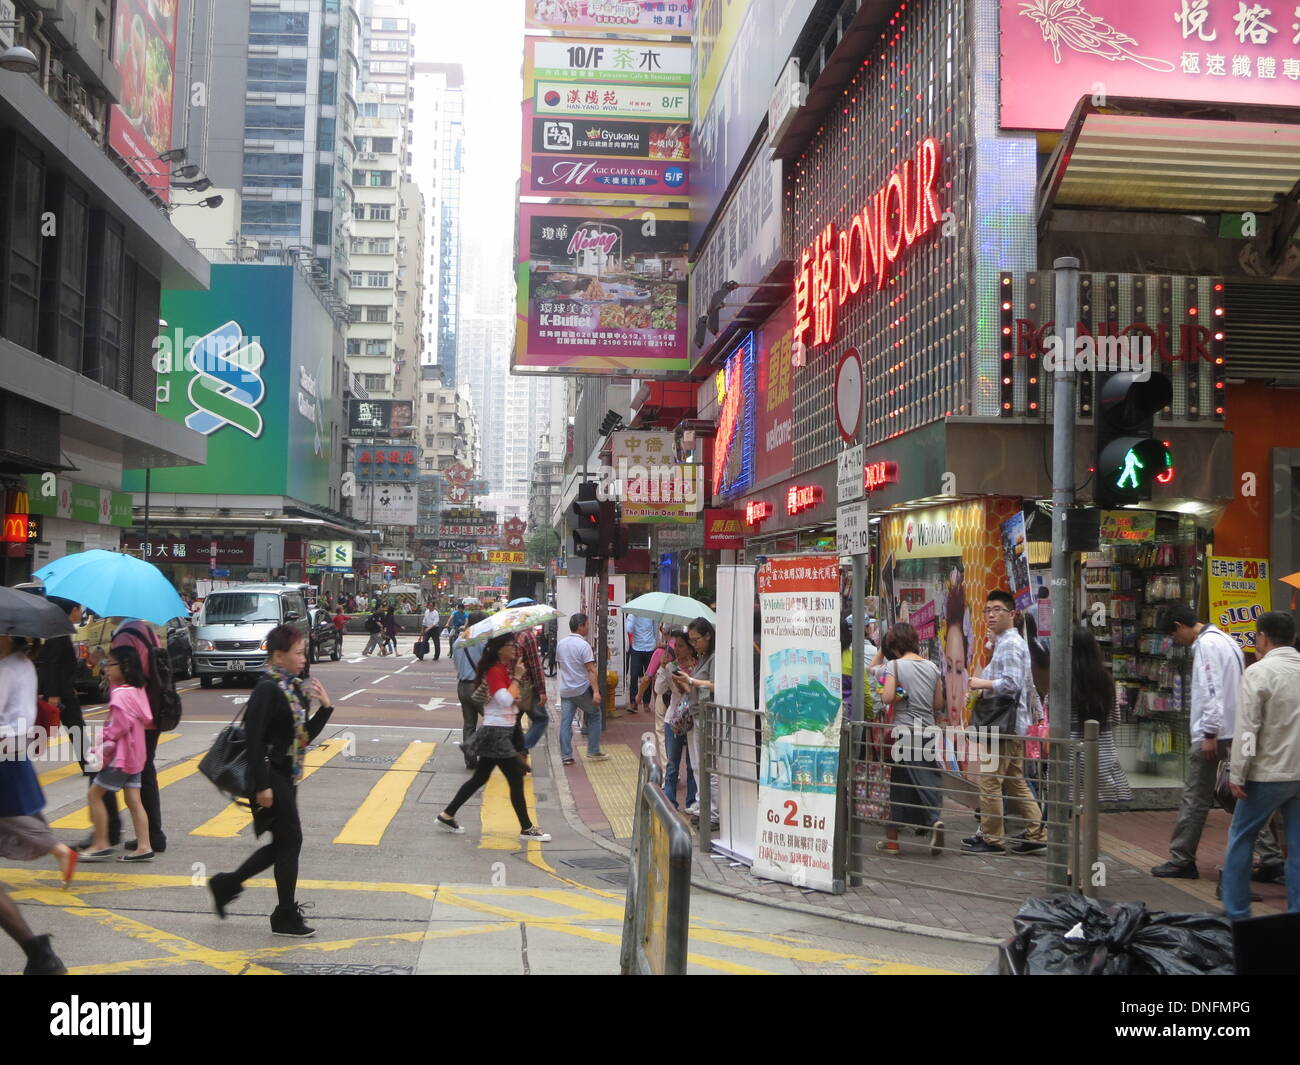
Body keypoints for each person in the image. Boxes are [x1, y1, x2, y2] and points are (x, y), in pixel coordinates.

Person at [207, 625, 334, 936]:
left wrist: (325, 708)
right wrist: (262, 785)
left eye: (304, 652)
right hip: (269, 775)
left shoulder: (290, 688)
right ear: (278, 656)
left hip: (286, 774)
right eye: (298, 653)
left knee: (284, 844)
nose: (304, 658)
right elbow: (253, 741)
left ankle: (227, 884)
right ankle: (284, 914)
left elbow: (301, 740)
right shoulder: (268, 688)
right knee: (292, 842)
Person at [1152, 604, 1284, 879]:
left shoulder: (1206, 645)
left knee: (1196, 796)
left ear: (1179, 626)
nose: (1177, 641)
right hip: (1234, 727)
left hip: (1214, 732)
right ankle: (1270, 856)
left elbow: (1211, 689)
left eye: (1175, 636)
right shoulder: (1226, 640)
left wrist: (1209, 733)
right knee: (1242, 794)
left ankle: (1182, 858)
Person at [0, 633, 77, 974]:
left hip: (4, 752)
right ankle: (39, 954)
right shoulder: (23, 664)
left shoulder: (7, 669)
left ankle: (40, 954)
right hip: (12, 754)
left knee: (17, 818)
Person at [1222, 612, 1300, 920]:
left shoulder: (1259, 672)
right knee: (1297, 846)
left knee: (1242, 837)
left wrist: (1238, 772)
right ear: (1292, 639)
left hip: (1267, 773)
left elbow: (1247, 729)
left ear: (1262, 638)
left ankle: (1237, 913)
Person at [437, 634, 551, 841]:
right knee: (515, 779)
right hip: (497, 732)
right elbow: (505, 699)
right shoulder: (495, 671)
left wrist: (515, 683)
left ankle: (447, 814)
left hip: (501, 730)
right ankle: (526, 828)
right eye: (510, 645)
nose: (515, 648)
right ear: (499, 649)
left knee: (480, 778)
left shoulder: (502, 670)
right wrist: (516, 677)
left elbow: (512, 698)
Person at [962, 590, 1045, 855]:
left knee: (990, 782)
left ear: (1012, 614)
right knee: (1015, 780)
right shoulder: (1006, 642)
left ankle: (993, 839)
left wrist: (980, 684)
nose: (991, 615)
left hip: (1003, 726)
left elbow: (1011, 684)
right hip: (1011, 725)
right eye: (988, 610)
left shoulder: (1010, 643)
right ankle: (1037, 832)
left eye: (997, 609)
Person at [36, 597, 115, 846]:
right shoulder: (58, 634)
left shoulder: (61, 631)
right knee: (61, 729)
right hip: (60, 692)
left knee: (75, 728)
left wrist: (88, 661)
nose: (81, 612)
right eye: (78, 609)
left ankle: (87, 764)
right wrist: (53, 693)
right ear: (70, 611)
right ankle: (88, 764)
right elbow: (51, 666)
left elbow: (65, 665)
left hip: (63, 689)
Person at [78, 645, 155, 862]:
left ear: (126, 667)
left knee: (94, 794)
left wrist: (104, 735)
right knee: (133, 800)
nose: (106, 669)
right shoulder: (138, 690)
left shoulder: (120, 695)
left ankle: (101, 842)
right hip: (136, 755)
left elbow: (119, 727)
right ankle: (144, 846)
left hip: (120, 757)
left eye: (110, 665)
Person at [875, 623, 945, 856]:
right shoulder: (932, 666)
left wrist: (900, 694)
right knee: (925, 777)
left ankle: (896, 839)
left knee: (900, 786)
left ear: (894, 647)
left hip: (904, 731)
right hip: (927, 731)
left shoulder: (894, 665)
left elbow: (886, 697)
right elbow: (938, 704)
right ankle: (929, 823)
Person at [110, 620, 173, 854]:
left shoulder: (125, 636)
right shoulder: (146, 630)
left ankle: (148, 836)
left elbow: (128, 676)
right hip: (152, 710)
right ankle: (151, 835)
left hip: (135, 716)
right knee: (145, 772)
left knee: (135, 775)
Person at [1061, 626, 1132, 803]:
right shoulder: (1107, 681)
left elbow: (1051, 715)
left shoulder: (1062, 681)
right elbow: (1115, 719)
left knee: (1070, 806)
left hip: (1071, 756)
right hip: (1103, 755)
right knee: (1094, 810)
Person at [673, 617, 718, 823]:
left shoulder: (714, 657)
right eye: (691, 640)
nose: (694, 644)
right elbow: (695, 687)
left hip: (707, 716)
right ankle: (703, 803)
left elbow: (715, 685)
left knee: (707, 764)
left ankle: (713, 812)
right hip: (696, 713)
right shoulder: (703, 657)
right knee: (697, 764)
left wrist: (690, 679)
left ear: (708, 635)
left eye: (696, 639)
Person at [556, 613, 608, 765]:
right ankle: (593, 750)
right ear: (580, 626)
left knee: (565, 722)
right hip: (581, 689)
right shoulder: (584, 646)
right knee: (595, 714)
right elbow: (591, 670)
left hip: (566, 689)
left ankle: (566, 755)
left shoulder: (561, 643)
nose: (589, 627)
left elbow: (561, 666)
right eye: (587, 624)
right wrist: (596, 692)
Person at [662, 637, 698, 809]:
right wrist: (663, 670)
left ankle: (692, 801)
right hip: (673, 720)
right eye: (676, 646)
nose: (677, 649)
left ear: (690, 648)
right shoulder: (671, 667)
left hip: (693, 720)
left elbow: (694, 692)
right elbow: (659, 690)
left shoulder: (698, 667)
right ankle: (669, 801)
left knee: (693, 764)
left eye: (681, 646)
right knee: (672, 763)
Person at [452, 613, 486, 769]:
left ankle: (470, 758)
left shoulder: (458, 641)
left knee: (469, 724)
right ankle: (473, 745)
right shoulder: (482, 640)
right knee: (495, 720)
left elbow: (457, 666)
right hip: (478, 686)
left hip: (462, 686)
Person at [514, 624, 549, 762]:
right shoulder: (528, 636)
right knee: (541, 719)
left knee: (514, 722)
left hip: (511, 685)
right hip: (526, 686)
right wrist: (541, 690)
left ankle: (517, 758)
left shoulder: (510, 635)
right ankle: (522, 748)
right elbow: (535, 665)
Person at [624, 612, 657, 714]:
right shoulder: (632, 615)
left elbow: (655, 630)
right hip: (636, 648)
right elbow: (629, 629)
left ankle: (646, 702)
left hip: (650, 647)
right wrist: (633, 616)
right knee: (633, 675)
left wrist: (656, 644)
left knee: (649, 676)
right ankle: (633, 702)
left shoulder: (652, 614)